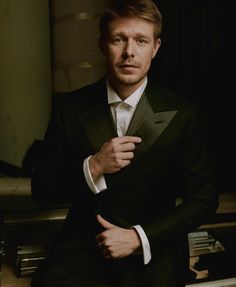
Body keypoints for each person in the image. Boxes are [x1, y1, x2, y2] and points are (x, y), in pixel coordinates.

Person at [30, 0, 218, 286]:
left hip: (154, 248)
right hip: (82, 249)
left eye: (141, 40)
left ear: (155, 47)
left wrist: (139, 237)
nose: (129, 52)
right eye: (119, 39)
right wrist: (92, 166)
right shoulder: (69, 108)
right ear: (103, 44)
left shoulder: (184, 113)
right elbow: (42, 190)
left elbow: (204, 200)